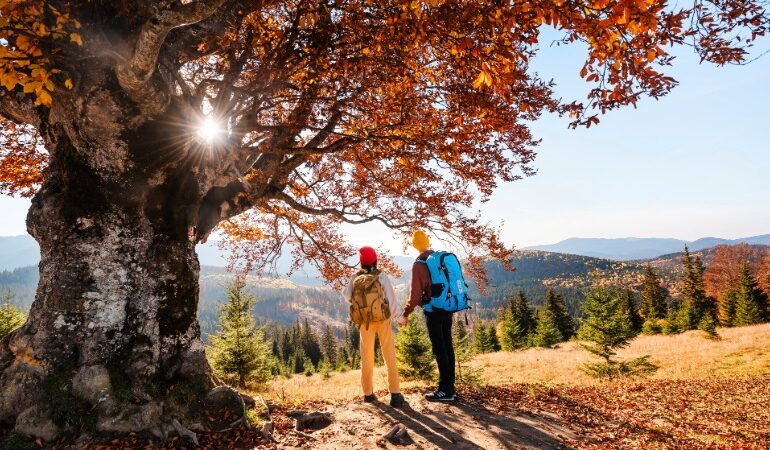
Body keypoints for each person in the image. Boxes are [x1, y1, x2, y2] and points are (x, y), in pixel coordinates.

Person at [342, 246, 405, 407]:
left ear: (361, 261)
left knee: (367, 355)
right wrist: (400, 317)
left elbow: (347, 296)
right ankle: (395, 394)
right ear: (375, 260)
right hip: (382, 319)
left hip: (365, 322)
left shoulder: (355, 277)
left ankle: (368, 394)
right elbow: (391, 300)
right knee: (389, 354)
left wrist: (363, 306)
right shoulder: (381, 276)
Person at [400, 230, 457, 402]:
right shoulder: (438, 259)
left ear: (414, 245)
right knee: (447, 346)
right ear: (428, 242)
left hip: (433, 310)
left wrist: (406, 312)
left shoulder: (419, 264)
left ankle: (444, 390)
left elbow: (416, 295)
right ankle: (450, 388)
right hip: (447, 307)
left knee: (439, 349)